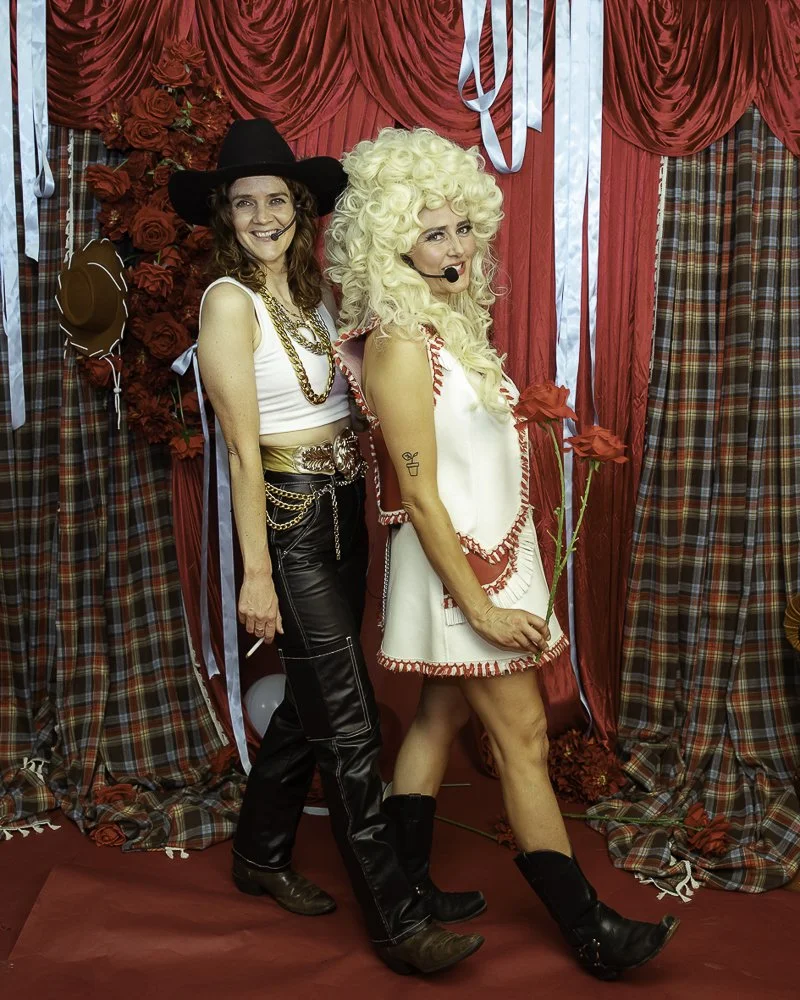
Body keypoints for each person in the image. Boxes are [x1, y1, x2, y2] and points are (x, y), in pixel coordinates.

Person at [326, 126, 679, 981]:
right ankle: (587, 925)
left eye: (461, 227)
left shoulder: (445, 325)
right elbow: (417, 491)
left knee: (442, 716)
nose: (453, 247)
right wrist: (480, 603)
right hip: (460, 572)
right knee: (522, 732)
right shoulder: (401, 342)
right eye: (430, 232)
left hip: (488, 553)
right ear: (391, 241)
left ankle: (407, 883)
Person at [167, 118, 484, 976]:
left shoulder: (310, 292)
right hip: (291, 516)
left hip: (345, 504)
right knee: (348, 727)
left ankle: (259, 852)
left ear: (299, 208)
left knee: (315, 704)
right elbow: (239, 449)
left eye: (277, 199)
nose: (263, 215)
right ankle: (397, 916)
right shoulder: (228, 303)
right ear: (225, 217)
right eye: (245, 203)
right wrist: (258, 574)